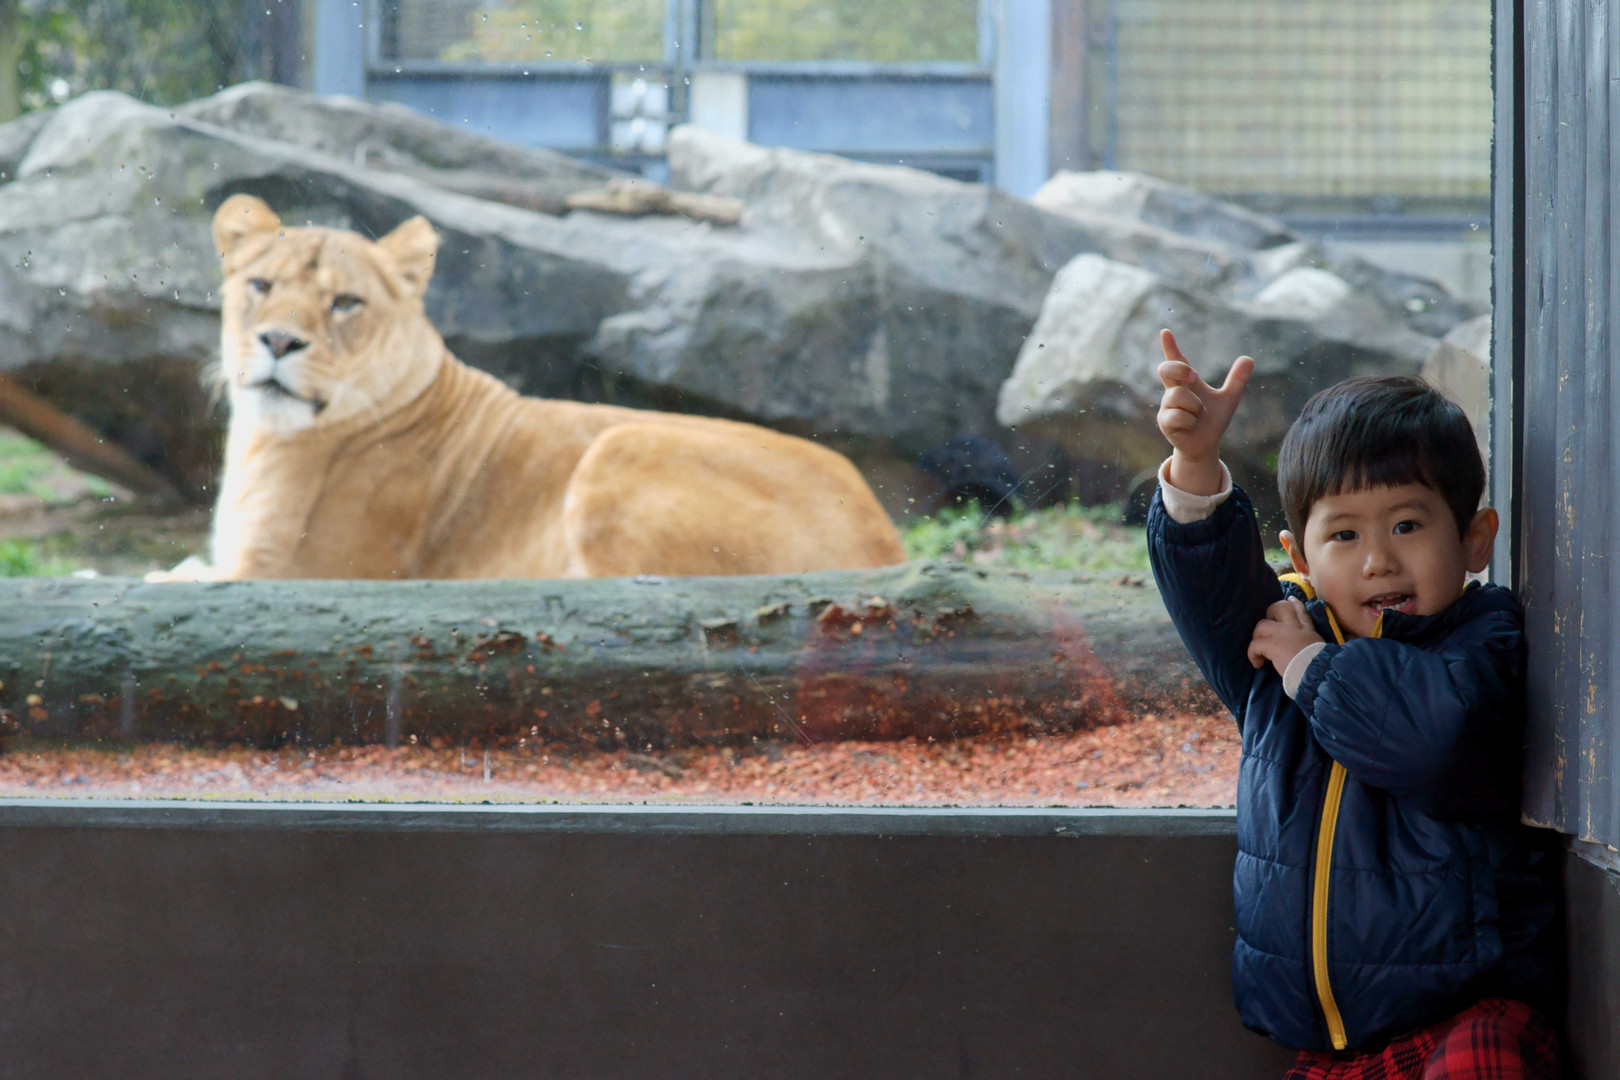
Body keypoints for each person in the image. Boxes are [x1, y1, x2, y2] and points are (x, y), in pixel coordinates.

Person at [1146, 329, 1563, 1078]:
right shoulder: (1280, 640)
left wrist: (1310, 668)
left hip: (1468, 1013)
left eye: (1407, 524)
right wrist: (1197, 464)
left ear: (1475, 539)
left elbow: (1430, 743)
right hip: (1330, 1045)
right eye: (1343, 533)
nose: (1377, 560)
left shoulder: (1481, 639)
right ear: (1300, 557)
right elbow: (1209, 590)